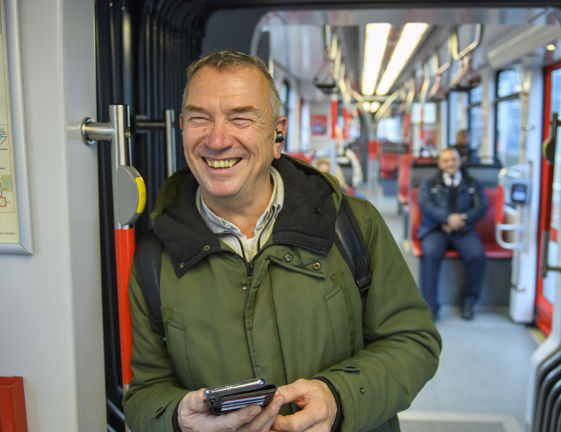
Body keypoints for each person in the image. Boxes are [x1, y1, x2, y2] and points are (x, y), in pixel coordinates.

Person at [123, 49, 441, 432]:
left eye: (241, 118)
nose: (217, 139)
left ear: (277, 135)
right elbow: (144, 396)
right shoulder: (153, 259)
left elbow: (414, 341)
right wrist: (177, 419)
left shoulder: (353, 226)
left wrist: (338, 398)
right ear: (182, 129)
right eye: (199, 118)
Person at [417, 147, 488, 321]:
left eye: (454, 159)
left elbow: (481, 207)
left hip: (463, 229)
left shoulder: (472, 183)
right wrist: (447, 219)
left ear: (459, 161)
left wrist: (462, 219)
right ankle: (430, 306)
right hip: (435, 229)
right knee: (431, 255)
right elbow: (425, 205)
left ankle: (468, 302)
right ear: (440, 164)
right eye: (446, 160)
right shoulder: (429, 182)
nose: (450, 163)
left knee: (477, 255)